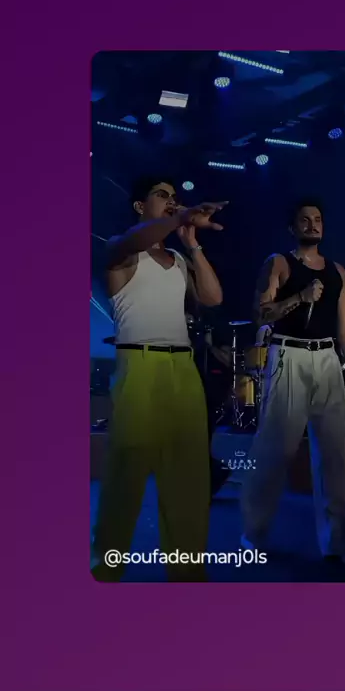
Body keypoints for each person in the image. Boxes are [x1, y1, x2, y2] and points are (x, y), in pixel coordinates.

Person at [91, 175, 227, 581]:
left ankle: (188, 575)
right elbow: (138, 238)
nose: (172, 201)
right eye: (162, 195)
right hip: (140, 365)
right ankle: (104, 572)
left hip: (183, 368)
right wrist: (181, 216)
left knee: (188, 477)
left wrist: (192, 243)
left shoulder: (179, 261)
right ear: (139, 205)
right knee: (126, 477)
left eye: (175, 197)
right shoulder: (121, 247)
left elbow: (213, 298)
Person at [240, 198, 345, 564]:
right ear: (292, 227)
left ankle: (336, 545)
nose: (313, 224)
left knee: (334, 456)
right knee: (275, 450)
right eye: (305, 220)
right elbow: (260, 314)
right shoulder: (278, 262)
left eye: (318, 219)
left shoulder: (337, 271)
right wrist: (299, 296)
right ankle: (254, 533)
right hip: (288, 354)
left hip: (327, 358)